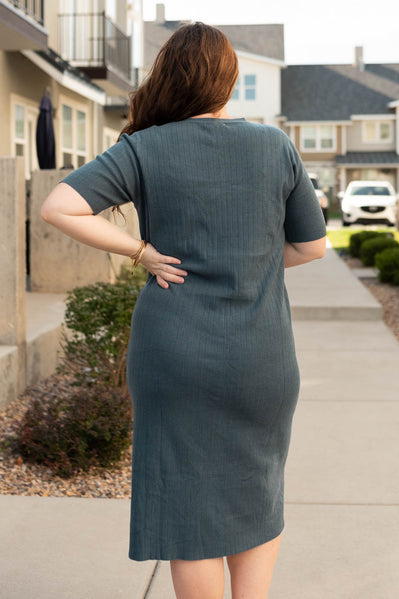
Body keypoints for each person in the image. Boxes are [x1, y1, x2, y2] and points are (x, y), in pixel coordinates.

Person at [41, 22, 327, 599]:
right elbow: (313, 245)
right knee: (257, 493)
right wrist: (254, 263)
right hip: (261, 355)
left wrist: (142, 252)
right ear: (231, 80)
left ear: (168, 75)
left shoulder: (145, 147)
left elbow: (59, 207)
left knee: (187, 511)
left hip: (175, 355)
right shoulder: (275, 146)